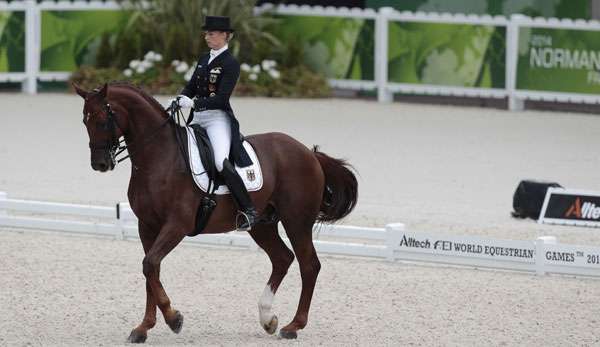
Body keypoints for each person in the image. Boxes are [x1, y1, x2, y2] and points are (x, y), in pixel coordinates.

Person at [170, 15, 257, 231]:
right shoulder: (203, 58)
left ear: (226, 36)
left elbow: (221, 98)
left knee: (220, 161)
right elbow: (191, 85)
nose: (207, 37)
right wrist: (181, 98)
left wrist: (194, 103)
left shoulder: (231, 63)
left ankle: (248, 210)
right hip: (197, 118)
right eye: (206, 33)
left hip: (217, 118)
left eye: (211, 33)